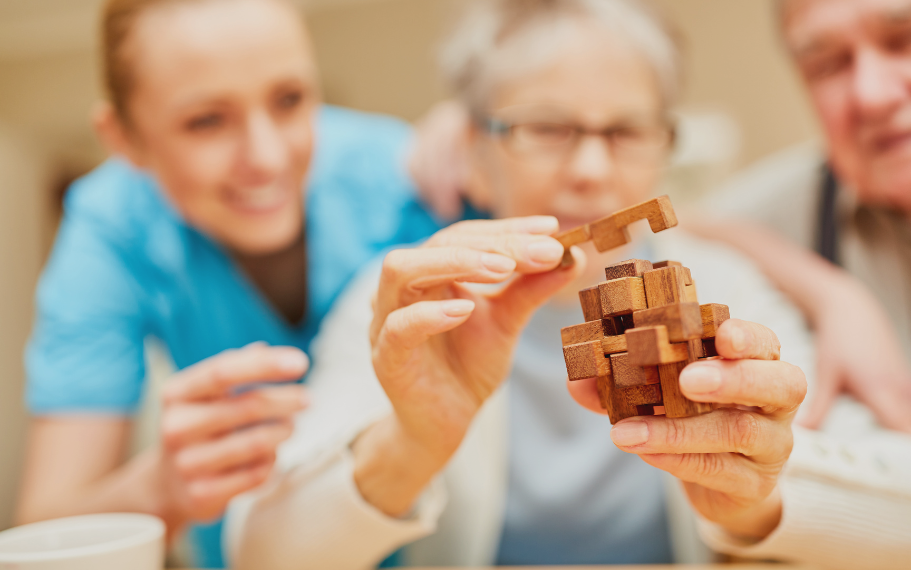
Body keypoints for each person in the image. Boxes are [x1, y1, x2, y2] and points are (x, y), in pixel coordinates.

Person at [224, 1, 904, 567]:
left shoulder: (723, 290)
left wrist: (760, 495)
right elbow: (258, 553)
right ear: (473, 155)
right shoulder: (411, 297)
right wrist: (409, 444)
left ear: (664, 149)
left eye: (625, 131)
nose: (587, 170)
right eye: (544, 128)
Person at [15, 0, 445, 567]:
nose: (266, 158)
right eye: (206, 121)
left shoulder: (405, 174)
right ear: (124, 138)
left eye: (289, 100)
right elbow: (44, 535)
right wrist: (159, 490)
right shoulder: (111, 227)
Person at [692, 0, 911, 434]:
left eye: (903, 40)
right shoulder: (797, 204)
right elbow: (668, 226)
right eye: (827, 65)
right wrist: (831, 293)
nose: (871, 95)